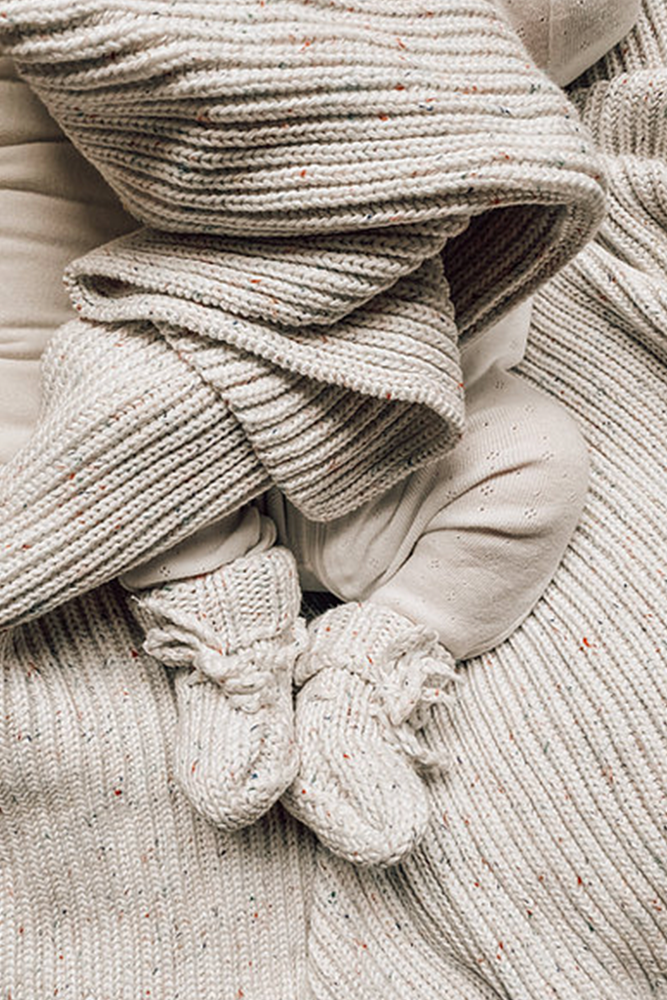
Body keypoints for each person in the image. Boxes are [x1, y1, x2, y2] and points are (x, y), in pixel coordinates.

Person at [0, 0, 639, 867]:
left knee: (536, 459)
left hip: (392, 414)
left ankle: (372, 667)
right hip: (178, 371)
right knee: (106, 398)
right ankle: (228, 640)